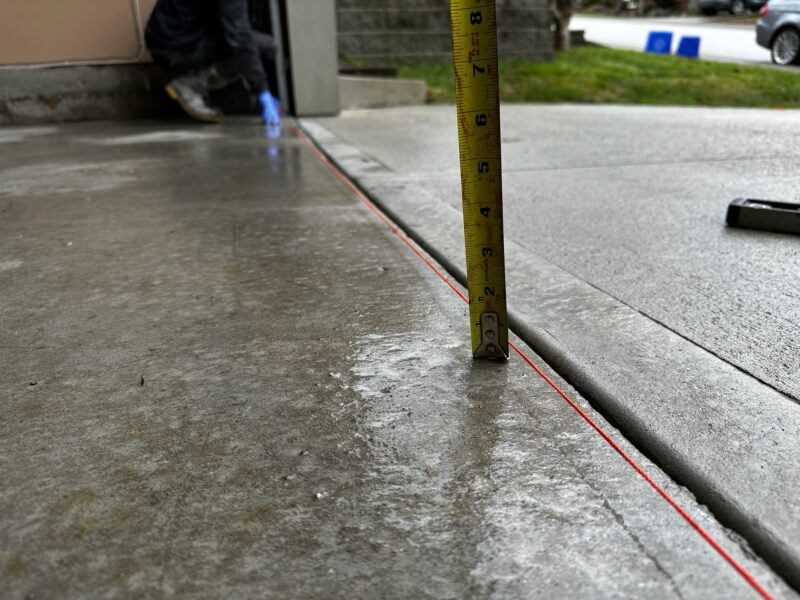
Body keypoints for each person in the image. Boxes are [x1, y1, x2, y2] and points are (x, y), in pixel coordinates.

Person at [145, 0, 281, 124]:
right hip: (177, 44)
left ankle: (194, 79)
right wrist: (261, 90)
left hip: (169, 35)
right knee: (263, 47)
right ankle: (192, 85)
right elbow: (240, 38)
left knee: (247, 41)